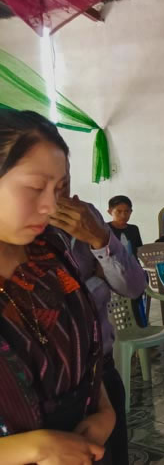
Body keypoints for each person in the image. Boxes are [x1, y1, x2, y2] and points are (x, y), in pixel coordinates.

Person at [0, 109, 115, 464]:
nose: (50, 206)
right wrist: (36, 447)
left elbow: (81, 347)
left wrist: (104, 411)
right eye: (36, 188)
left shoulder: (50, 250)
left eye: (60, 187)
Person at [53, 176, 147, 464]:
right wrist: (95, 282)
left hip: (101, 370)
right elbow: (55, 313)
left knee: (114, 455)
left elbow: (134, 286)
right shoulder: (17, 236)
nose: (55, 194)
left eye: (63, 181)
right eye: (36, 182)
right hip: (48, 385)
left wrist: (99, 239)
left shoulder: (88, 218)